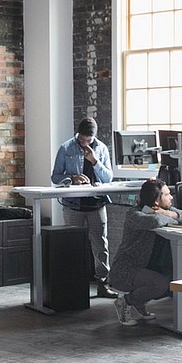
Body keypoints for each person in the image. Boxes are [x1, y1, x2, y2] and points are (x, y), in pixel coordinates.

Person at [109, 178, 182, 326]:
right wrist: (170, 216)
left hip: (149, 267)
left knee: (179, 280)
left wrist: (170, 214)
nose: (171, 197)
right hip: (126, 269)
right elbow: (154, 221)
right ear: (156, 201)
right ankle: (125, 302)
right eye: (167, 194)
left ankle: (138, 303)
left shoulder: (166, 211)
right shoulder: (133, 215)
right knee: (161, 284)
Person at [51, 116, 115, 294]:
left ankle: (103, 284)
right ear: (77, 134)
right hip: (73, 203)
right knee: (72, 244)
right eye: (81, 139)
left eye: (88, 140)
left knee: (101, 245)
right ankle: (73, 285)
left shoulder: (101, 149)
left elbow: (108, 178)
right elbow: (55, 176)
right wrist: (72, 178)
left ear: (94, 137)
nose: (84, 143)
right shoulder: (66, 148)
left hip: (97, 203)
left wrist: (95, 161)